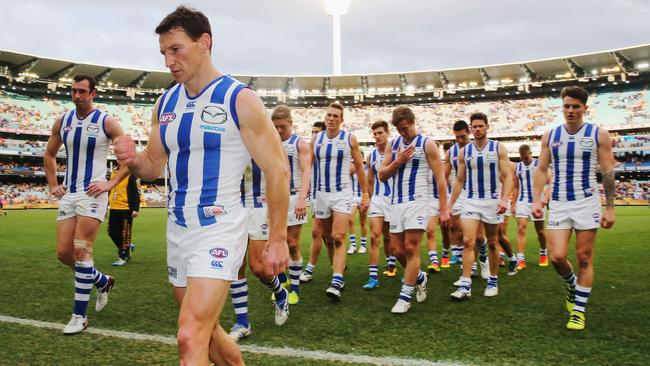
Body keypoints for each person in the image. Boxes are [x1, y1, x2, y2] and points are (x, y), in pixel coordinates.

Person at [113, 6, 289, 364]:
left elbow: (278, 170)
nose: (168, 61)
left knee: (188, 336)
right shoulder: (165, 103)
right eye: (163, 53)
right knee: (206, 334)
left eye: (176, 49)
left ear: (204, 42)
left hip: (219, 226)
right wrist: (133, 160)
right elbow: (154, 163)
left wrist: (278, 238)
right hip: (177, 227)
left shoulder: (239, 99)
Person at [43, 74, 128, 334]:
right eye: (73, 91)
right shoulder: (63, 121)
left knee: (81, 252)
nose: (77, 95)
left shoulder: (106, 122)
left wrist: (109, 184)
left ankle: (79, 317)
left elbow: (128, 159)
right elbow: (49, 154)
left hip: (93, 194)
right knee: (63, 253)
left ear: (93, 93)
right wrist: (52, 184)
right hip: (69, 194)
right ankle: (102, 281)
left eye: (82, 91)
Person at [532, 86, 615, 331]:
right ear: (562, 107)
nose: (570, 110)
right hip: (558, 203)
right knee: (557, 256)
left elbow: (608, 172)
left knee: (583, 257)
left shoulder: (599, 134)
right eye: (567, 106)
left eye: (575, 106)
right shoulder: (550, 135)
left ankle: (578, 311)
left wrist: (610, 208)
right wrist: (537, 200)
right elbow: (541, 169)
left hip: (586, 202)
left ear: (584, 109)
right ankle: (572, 284)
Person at [378, 106, 450, 313]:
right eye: (399, 129)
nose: (403, 132)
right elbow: (382, 175)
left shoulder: (427, 144)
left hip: (419, 201)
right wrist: (398, 162)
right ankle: (419, 277)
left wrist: (443, 208)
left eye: (405, 128)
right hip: (396, 202)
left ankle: (404, 297)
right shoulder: (393, 145)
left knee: (411, 248)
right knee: (397, 250)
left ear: (411, 122)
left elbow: (440, 178)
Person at [449, 112, 513, 300]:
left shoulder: (497, 148)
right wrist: (450, 204)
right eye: (474, 126)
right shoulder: (464, 152)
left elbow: (507, 176)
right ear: (471, 129)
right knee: (468, 241)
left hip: (492, 201)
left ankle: (493, 280)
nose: (477, 129)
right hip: (471, 200)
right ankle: (466, 285)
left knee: (493, 241)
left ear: (487, 127)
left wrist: (504, 199)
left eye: (480, 126)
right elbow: (460, 180)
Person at [312, 103, 368, 301]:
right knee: (328, 239)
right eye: (329, 115)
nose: (332, 118)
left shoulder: (349, 138)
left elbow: (360, 168)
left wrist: (365, 194)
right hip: (321, 194)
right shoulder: (316, 139)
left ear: (341, 120)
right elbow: (307, 166)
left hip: (342, 193)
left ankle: (336, 280)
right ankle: (337, 271)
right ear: (325, 117)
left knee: (337, 236)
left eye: (336, 116)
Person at [272, 105, 311, 304]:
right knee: (273, 244)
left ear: (291, 124)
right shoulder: (269, 143)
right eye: (275, 126)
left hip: (295, 197)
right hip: (273, 200)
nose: (279, 131)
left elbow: (306, 171)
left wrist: (302, 198)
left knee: (293, 243)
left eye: (283, 127)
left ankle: (294, 287)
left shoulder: (300, 144)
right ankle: (281, 279)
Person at [445, 120, 487, 278]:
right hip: (459, 194)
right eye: (457, 138)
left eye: (462, 136)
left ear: (468, 132)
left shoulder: (478, 149)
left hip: (477, 193)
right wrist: (451, 186)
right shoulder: (451, 152)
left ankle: (483, 257)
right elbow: (445, 173)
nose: (460, 140)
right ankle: (472, 265)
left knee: (478, 236)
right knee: (462, 231)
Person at [363, 120, 394, 289]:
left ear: (387, 133)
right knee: (375, 236)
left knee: (391, 237)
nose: (377, 136)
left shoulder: (396, 152)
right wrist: (369, 198)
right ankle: (373, 277)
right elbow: (370, 181)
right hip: (378, 200)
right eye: (375, 134)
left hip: (394, 199)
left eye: (380, 133)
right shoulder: (371, 156)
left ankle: (391, 263)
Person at [512, 144, 549, 269]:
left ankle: (543, 252)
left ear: (531, 154)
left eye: (526, 158)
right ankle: (520, 259)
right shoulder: (518, 167)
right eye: (522, 158)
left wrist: (544, 199)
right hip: (522, 202)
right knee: (521, 228)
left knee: (540, 231)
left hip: (537, 202)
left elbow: (550, 182)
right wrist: (513, 204)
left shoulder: (540, 164)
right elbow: (516, 187)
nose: (524, 160)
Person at [300, 121, 328, 283]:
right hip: (315, 197)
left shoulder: (326, 153)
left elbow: (352, 167)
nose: (313, 135)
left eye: (316, 132)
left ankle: (310, 268)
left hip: (328, 196)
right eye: (311, 132)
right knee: (325, 235)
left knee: (317, 231)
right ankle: (338, 264)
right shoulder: (309, 152)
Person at [107, 166, 140, 266]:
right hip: (113, 207)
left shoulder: (130, 173)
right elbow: (109, 189)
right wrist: (105, 206)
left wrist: (135, 209)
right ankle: (126, 247)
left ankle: (124, 256)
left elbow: (135, 192)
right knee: (111, 232)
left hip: (126, 208)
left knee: (125, 234)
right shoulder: (113, 172)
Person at [347, 161, 368, 254]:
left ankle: (363, 245)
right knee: (350, 219)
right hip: (352, 197)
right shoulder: (351, 167)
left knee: (363, 222)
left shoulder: (367, 168)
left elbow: (370, 182)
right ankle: (353, 245)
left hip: (363, 197)